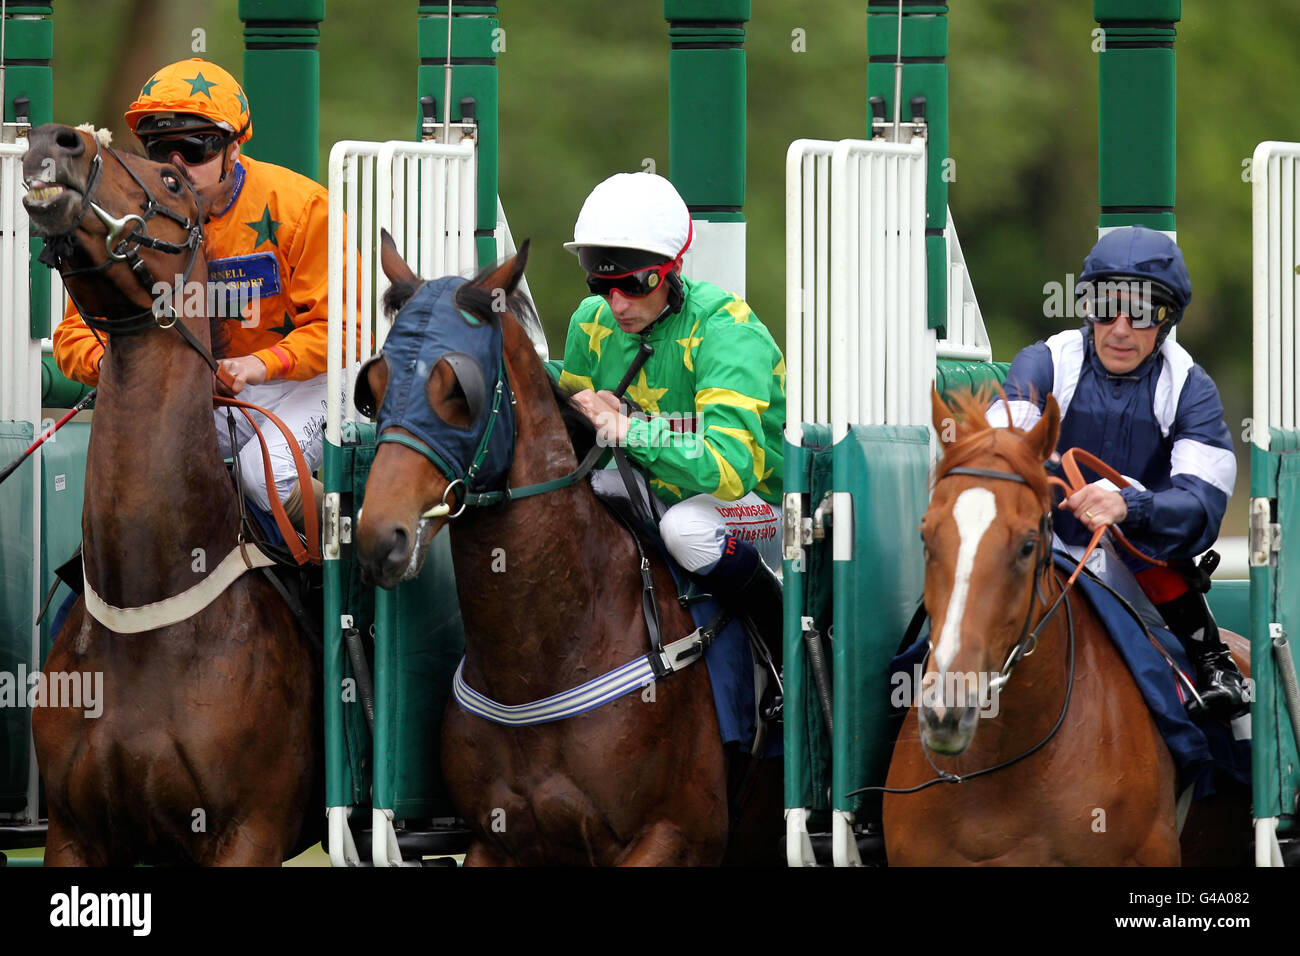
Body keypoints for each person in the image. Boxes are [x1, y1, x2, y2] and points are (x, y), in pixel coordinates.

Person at [52, 57, 329, 532]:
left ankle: (354, 558)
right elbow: (74, 335)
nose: (175, 166)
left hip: (314, 381)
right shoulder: (131, 222)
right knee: (144, 475)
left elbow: (347, 328)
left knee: (264, 476)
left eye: (194, 148)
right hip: (210, 391)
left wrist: (257, 366)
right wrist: (118, 366)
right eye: (160, 150)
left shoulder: (302, 207)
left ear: (234, 148)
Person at [988, 225, 1247, 720]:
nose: (1121, 328)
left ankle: (1214, 665)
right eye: (1107, 306)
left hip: (1137, 563)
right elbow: (1002, 457)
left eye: (1144, 312)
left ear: (1166, 320)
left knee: (1151, 551)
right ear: (1087, 308)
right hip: (1043, 549)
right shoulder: (1043, 361)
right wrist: (1057, 485)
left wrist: (1130, 505)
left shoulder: (1190, 386)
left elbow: (1202, 504)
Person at [558, 172, 786, 674]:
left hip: (764, 507)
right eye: (602, 285)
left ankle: (785, 646)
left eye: (635, 285)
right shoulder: (589, 323)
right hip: (658, 489)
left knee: (686, 530)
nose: (617, 304)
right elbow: (573, 415)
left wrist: (630, 430)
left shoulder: (727, 331)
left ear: (673, 267)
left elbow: (731, 469)